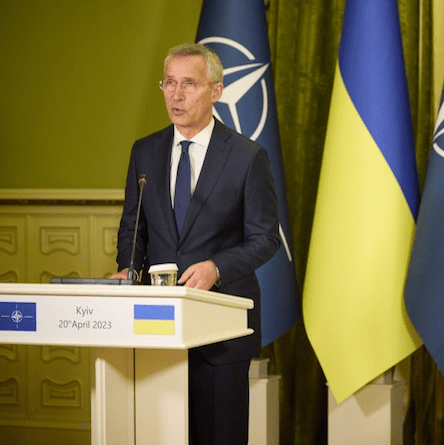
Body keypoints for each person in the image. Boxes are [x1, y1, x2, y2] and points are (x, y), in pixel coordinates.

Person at [111, 43, 280, 444]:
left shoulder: (246, 156)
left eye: (189, 83)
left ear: (216, 91)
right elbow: (133, 228)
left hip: (220, 332)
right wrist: (128, 270)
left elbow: (265, 238)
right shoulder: (145, 152)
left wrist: (216, 267)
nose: (176, 94)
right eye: (168, 83)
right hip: (155, 330)